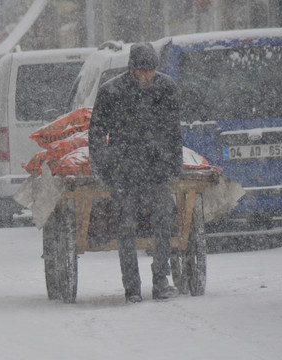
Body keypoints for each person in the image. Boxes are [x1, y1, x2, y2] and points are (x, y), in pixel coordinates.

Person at [88, 43, 183, 303]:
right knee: (125, 227)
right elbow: (96, 132)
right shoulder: (112, 91)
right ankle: (132, 287)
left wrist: (174, 164)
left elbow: (174, 132)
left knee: (164, 221)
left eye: (150, 71)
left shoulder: (167, 89)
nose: (146, 76)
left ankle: (161, 280)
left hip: (156, 168)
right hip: (124, 170)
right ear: (131, 69)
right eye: (141, 71)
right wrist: (104, 165)